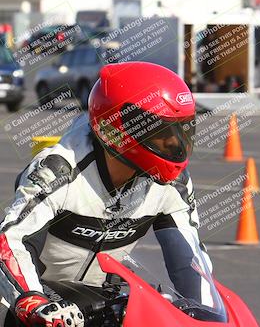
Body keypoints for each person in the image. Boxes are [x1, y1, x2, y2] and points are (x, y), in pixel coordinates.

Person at [0, 62, 220, 326]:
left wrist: (210, 317)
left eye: (183, 130)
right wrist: (32, 301)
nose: (175, 144)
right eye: (162, 132)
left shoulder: (174, 184)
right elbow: (13, 240)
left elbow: (190, 262)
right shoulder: (59, 168)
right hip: (37, 301)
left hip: (101, 302)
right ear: (117, 128)